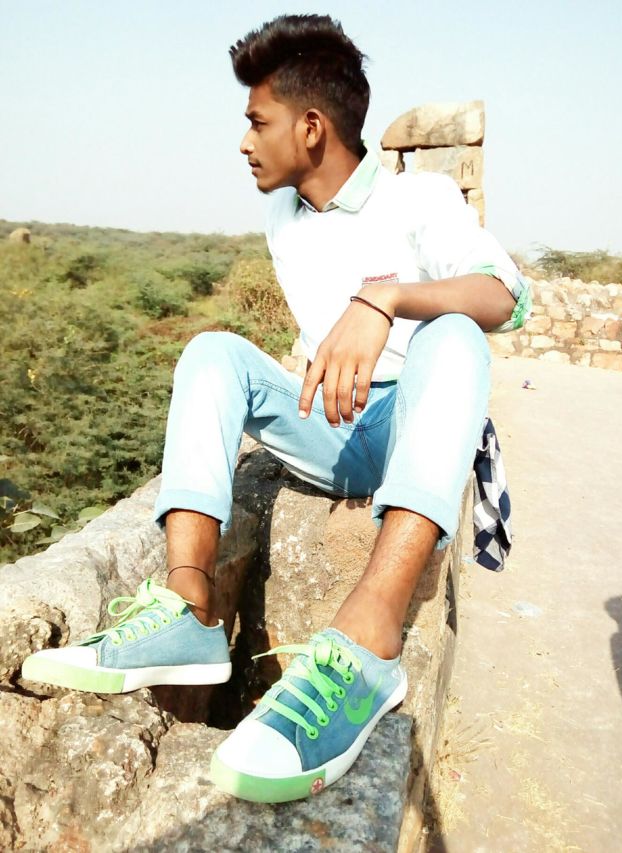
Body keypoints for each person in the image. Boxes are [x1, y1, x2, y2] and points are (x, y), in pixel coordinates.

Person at [22, 14, 530, 803]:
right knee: (212, 351)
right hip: (332, 424)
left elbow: (507, 297)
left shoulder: (417, 198)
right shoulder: (283, 219)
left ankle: (368, 642)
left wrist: (386, 298)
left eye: (258, 121)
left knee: (457, 334)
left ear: (312, 127)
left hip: (415, 425)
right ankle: (188, 609)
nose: (244, 141)